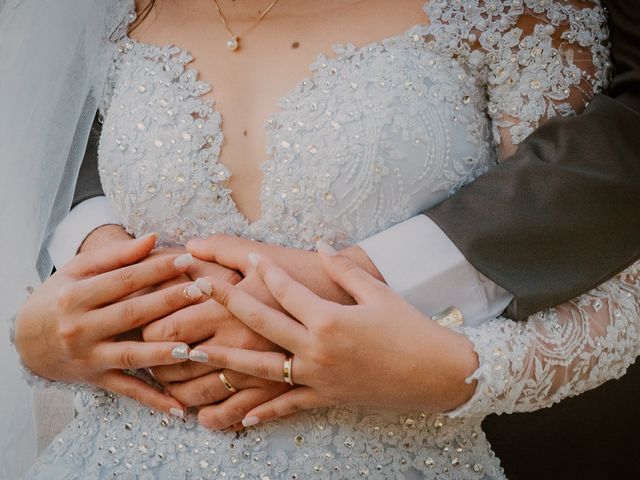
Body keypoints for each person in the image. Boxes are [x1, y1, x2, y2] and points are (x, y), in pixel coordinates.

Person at [2, 0, 638, 478]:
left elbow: (611, 287)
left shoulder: (511, 15)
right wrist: (40, 339)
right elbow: (62, 187)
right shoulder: (117, 13)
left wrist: (448, 372)